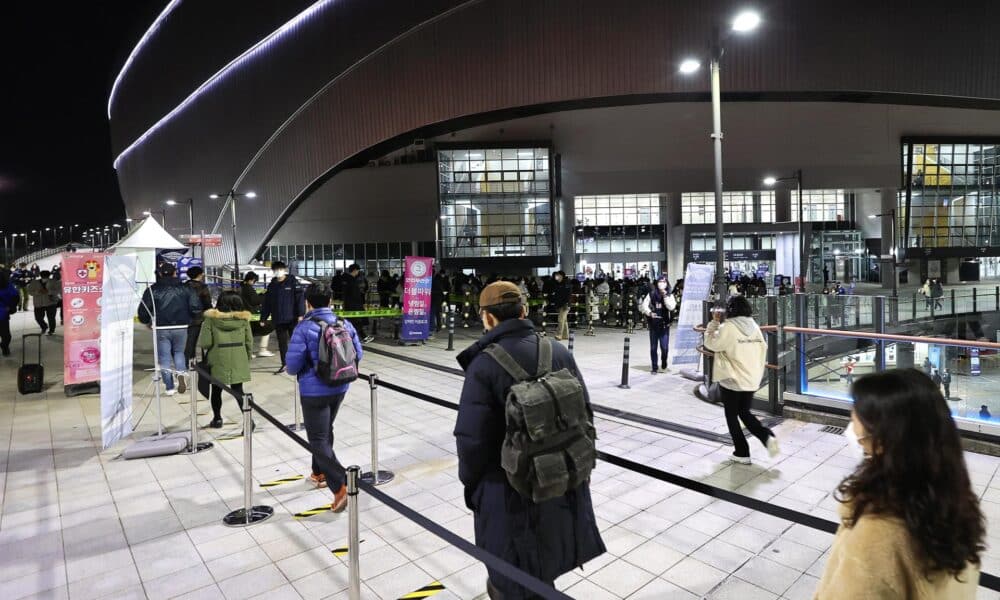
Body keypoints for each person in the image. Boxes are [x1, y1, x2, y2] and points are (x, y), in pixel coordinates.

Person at [454, 281, 605, 599]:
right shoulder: (559, 352)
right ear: (524, 311)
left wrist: (474, 491)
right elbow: (585, 417)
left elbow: (472, 443)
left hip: (508, 495)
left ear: (488, 318)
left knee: (512, 582)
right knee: (542, 571)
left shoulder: (484, 365)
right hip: (560, 485)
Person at [814, 370, 984, 598]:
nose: (852, 431)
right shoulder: (954, 503)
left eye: (855, 421)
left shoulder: (876, 533)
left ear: (882, 439)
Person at [286, 283, 363, 512]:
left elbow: (292, 366)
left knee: (318, 438)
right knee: (324, 431)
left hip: (313, 392)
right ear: (330, 301)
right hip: (340, 387)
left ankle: (340, 485)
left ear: (307, 303)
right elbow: (358, 354)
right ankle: (318, 473)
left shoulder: (304, 328)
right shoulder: (344, 323)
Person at [703, 295, 780, 464]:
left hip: (732, 379)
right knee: (744, 412)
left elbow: (712, 344)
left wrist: (713, 324)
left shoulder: (728, 327)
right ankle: (767, 437)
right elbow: (763, 348)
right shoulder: (754, 326)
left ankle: (742, 452)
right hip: (751, 378)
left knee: (731, 415)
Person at [137, 263, 203, 395]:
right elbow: (196, 306)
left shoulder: (152, 289)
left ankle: (169, 386)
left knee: (164, 357)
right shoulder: (186, 288)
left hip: (161, 326)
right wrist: (191, 318)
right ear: (175, 273)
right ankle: (180, 373)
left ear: (160, 274)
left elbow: (143, 311)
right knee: (179, 352)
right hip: (181, 326)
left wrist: (147, 321)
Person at [198, 291, 253, 429]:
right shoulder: (243, 320)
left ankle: (217, 419)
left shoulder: (211, 319)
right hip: (238, 357)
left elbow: (205, 343)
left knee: (216, 390)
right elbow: (249, 341)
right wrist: (246, 358)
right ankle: (248, 421)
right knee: (238, 390)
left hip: (217, 358)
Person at [260, 261, 305, 374]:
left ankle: (300, 363)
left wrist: (300, 314)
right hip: (278, 319)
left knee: (296, 343)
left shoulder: (293, 282)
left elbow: (300, 299)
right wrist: (263, 317)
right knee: (282, 343)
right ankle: (285, 364)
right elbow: (267, 303)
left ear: (285, 270)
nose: (278, 272)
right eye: (275, 270)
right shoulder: (272, 285)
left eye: (280, 269)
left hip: (292, 319)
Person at [183, 267, 214, 387]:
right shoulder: (202, 287)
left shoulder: (184, 286)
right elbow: (207, 302)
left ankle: (189, 362)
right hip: (198, 317)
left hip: (185, 317)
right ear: (199, 275)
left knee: (188, 340)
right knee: (197, 340)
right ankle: (195, 362)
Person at [639, 276, 674, 374]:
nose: (661, 283)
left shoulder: (670, 295)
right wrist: (649, 313)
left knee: (664, 348)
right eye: (659, 281)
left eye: (663, 282)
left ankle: (664, 360)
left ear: (666, 283)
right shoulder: (651, 294)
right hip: (654, 325)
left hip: (664, 325)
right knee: (653, 348)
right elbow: (644, 305)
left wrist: (665, 296)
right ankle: (654, 367)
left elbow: (671, 307)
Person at [241, 272, 274, 357]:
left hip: (246, 314)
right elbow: (255, 301)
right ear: (251, 280)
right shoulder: (249, 289)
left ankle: (249, 352)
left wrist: (259, 295)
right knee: (268, 328)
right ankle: (262, 349)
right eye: (254, 281)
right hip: (253, 315)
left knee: (249, 334)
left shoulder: (242, 288)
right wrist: (263, 295)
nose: (254, 283)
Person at [342, 263, 373, 343]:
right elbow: (355, 294)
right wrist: (361, 303)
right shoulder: (352, 280)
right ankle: (363, 337)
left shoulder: (345, 279)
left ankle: (361, 337)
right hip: (354, 304)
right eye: (358, 271)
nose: (358, 272)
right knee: (356, 321)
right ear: (355, 270)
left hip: (348, 303)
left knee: (352, 321)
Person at [26, 270, 59, 336]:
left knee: (51, 318)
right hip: (39, 303)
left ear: (49, 276)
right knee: (38, 318)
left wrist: (48, 291)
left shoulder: (53, 281)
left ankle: (51, 330)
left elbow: (58, 290)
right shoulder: (34, 282)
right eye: (43, 276)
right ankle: (44, 326)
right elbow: (29, 291)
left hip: (51, 302)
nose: (45, 278)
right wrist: (38, 292)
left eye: (46, 276)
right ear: (41, 276)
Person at [548, 270, 571, 341]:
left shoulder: (566, 284)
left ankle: (559, 335)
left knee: (560, 320)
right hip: (560, 304)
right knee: (564, 320)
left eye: (558, 276)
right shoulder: (558, 284)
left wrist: (566, 304)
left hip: (565, 305)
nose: (556, 277)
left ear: (562, 276)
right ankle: (566, 335)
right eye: (556, 276)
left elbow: (568, 295)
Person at [0, 271, 18, 356]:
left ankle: (4, 347)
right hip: (3, 313)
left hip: (3, 314)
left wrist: (10, 307)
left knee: (6, 336)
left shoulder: (7, 285)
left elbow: (15, 297)